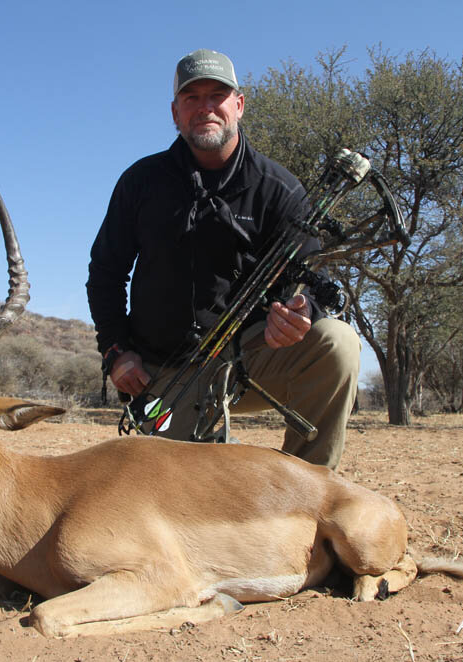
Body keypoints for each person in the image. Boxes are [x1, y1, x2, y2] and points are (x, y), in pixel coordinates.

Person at [86, 48, 360, 469]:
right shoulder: (141, 181)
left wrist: (302, 311)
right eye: (192, 98)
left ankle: (310, 489)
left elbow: (306, 277)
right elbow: (106, 274)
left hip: (246, 365)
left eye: (217, 95)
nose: (205, 107)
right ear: (175, 112)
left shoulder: (280, 189)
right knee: (170, 493)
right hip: (162, 374)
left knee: (337, 342)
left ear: (239, 104)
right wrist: (116, 352)